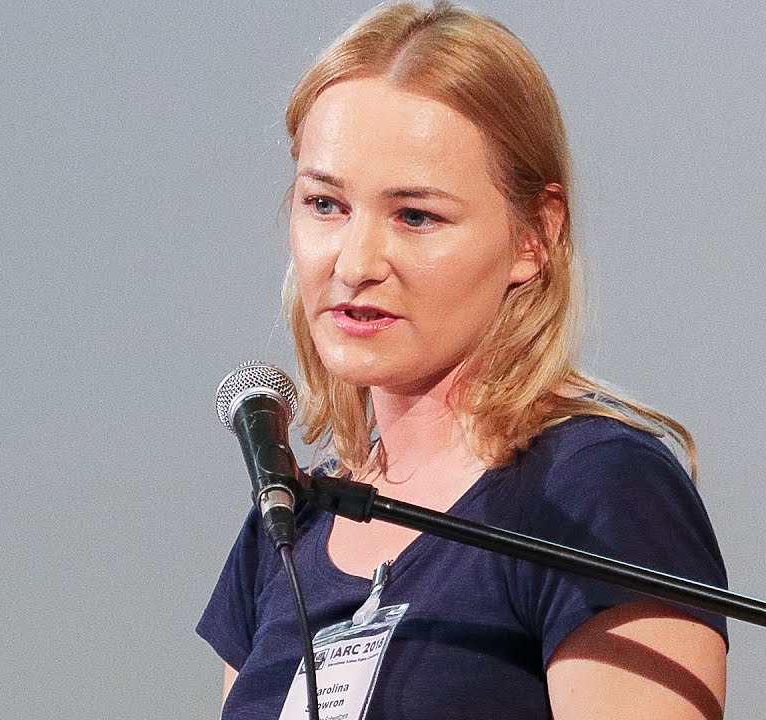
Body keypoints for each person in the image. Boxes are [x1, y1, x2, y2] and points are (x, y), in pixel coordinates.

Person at [196, 2, 729, 719]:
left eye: (416, 216)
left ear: (535, 236)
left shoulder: (594, 492)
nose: (355, 263)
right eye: (325, 204)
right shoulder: (287, 525)